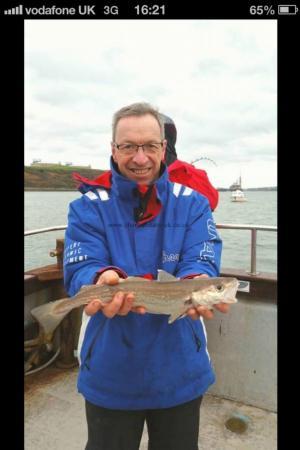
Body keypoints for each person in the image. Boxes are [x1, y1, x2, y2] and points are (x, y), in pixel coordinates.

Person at [64, 102, 230, 450]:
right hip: (110, 369)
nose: (140, 158)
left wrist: (199, 278)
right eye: (128, 147)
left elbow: (202, 255)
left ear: (163, 148)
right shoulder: (87, 207)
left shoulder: (194, 203)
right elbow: (81, 264)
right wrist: (101, 276)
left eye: (150, 146)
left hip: (179, 368)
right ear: (113, 149)